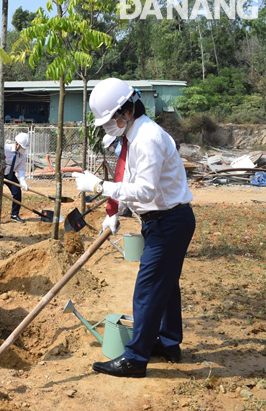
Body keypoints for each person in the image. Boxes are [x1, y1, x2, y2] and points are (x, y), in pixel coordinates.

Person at [73, 78, 195, 378]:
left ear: (126, 111)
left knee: (147, 290)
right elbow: (130, 182)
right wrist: (113, 212)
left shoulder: (147, 138)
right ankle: (168, 342)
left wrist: (99, 186)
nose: (107, 127)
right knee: (166, 287)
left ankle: (136, 358)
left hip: (169, 222)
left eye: (109, 120)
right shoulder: (135, 135)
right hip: (162, 221)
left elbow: (146, 190)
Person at [0, 132, 30, 223]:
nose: (22, 149)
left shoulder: (22, 156)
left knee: (17, 192)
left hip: (10, 174)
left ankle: (14, 214)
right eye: (21, 147)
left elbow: (21, 170)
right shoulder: (5, 148)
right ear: (16, 143)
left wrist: (23, 183)